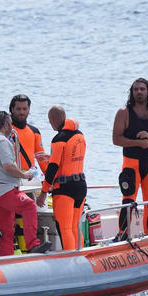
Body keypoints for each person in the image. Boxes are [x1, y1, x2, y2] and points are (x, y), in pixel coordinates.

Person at [0, 111, 50, 256]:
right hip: (3, 189)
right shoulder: (2, 141)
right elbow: (8, 166)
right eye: (10, 124)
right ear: (5, 125)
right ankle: (32, 245)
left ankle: (7, 258)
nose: (12, 127)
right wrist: (24, 175)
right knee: (29, 205)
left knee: (7, 230)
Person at [112, 78, 148, 239]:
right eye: (136, 89)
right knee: (128, 200)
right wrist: (138, 143)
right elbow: (116, 139)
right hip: (131, 164)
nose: (139, 92)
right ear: (132, 92)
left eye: (142, 89)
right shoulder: (124, 112)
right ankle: (122, 234)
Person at [40, 106, 87, 250]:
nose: (50, 124)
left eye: (50, 121)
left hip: (65, 189)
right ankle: (80, 255)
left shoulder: (59, 139)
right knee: (74, 226)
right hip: (80, 186)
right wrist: (52, 156)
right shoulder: (79, 135)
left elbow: (52, 168)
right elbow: (70, 159)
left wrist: (43, 192)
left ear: (54, 119)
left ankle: (71, 259)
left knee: (64, 228)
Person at [9, 94, 49, 174]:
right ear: (12, 109)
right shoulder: (6, 130)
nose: (22, 112)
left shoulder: (34, 132)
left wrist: (50, 179)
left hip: (30, 178)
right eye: (18, 109)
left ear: (29, 109)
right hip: (9, 177)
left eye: (24, 109)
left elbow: (42, 160)